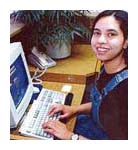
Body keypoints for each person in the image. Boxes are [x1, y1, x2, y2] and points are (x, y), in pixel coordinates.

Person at [42, 10, 128, 140]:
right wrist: (74, 109)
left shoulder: (126, 88)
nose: (101, 40)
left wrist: (70, 136)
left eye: (111, 34)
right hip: (96, 125)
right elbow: (102, 105)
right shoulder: (106, 67)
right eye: (97, 33)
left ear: (126, 42)